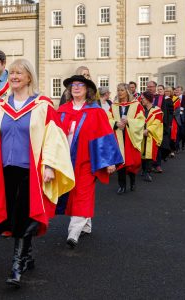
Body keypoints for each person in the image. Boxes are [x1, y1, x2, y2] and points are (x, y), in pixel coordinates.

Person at [0, 58, 75, 287]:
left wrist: (48, 165)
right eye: (12, 73)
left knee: (22, 217)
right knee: (14, 217)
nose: (15, 77)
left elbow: (53, 138)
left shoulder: (42, 105)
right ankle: (27, 256)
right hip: (5, 171)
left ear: (29, 77)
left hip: (31, 172)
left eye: (19, 73)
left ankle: (17, 266)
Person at [57, 75, 123, 248]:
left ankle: (73, 233)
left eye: (81, 85)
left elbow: (104, 136)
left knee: (83, 192)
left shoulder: (96, 112)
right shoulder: (62, 110)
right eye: (74, 85)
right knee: (70, 193)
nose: (76, 87)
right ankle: (86, 225)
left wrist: (110, 161)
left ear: (88, 90)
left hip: (86, 161)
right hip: (65, 160)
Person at [110, 83, 145, 194]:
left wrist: (129, 121)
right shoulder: (114, 105)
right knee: (120, 161)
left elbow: (141, 119)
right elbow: (108, 118)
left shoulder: (136, 105)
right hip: (118, 136)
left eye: (122, 90)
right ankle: (122, 185)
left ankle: (133, 181)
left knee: (132, 161)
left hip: (131, 136)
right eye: (118, 90)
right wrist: (115, 124)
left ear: (127, 92)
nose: (119, 92)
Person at [140, 91, 163, 182]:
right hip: (141, 133)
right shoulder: (141, 109)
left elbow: (157, 123)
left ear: (148, 99)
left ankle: (148, 172)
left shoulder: (157, 110)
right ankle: (143, 169)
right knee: (142, 153)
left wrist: (148, 130)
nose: (142, 100)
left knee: (149, 154)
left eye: (143, 99)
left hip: (151, 134)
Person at [152, 84, 173, 172]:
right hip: (152, 124)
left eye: (161, 89)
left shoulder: (166, 100)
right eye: (158, 89)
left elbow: (169, 113)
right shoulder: (154, 98)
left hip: (162, 124)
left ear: (164, 90)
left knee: (161, 145)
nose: (159, 90)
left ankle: (158, 164)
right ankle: (153, 165)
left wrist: (168, 124)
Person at [173, 86, 185, 151]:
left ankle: (183, 144)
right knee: (177, 133)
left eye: (178, 90)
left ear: (181, 91)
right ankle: (177, 147)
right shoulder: (173, 98)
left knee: (183, 133)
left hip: (184, 118)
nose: (177, 91)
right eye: (176, 90)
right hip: (176, 118)